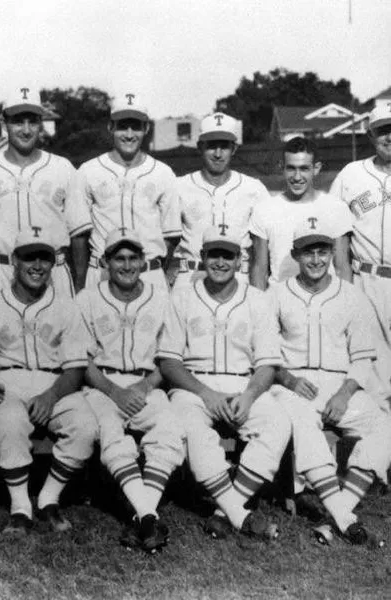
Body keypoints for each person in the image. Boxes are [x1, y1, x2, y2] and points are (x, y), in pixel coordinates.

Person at [157, 226, 291, 540]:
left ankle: (221, 511)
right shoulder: (183, 296)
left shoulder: (257, 300)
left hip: (244, 384)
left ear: (239, 260)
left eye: (227, 255)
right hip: (194, 386)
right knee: (191, 428)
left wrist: (250, 396)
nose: (220, 262)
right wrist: (205, 393)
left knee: (279, 422)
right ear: (202, 257)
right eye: (214, 254)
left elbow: (267, 363)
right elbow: (169, 362)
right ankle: (238, 513)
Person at [271, 223, 391, 546]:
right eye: (308, 251)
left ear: (331, 254)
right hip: (293, 384)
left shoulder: (351, 295)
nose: (316, 259)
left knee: (385, 426)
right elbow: (265, 353)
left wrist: (343, 394)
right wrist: (288, 379)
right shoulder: (278, 294)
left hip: (340, 385)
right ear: (295, 254)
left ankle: (337, 513)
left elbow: (363, 358)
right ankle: (345, 518)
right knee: (303, 424)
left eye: (322, 251)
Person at [77, 229, 185, 553]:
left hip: (146, 382)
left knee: (170, 429)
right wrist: (114, 391)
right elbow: (80, 360)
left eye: (133, 257)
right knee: (111, 431)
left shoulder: (161, 296)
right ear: (105, 262)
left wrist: (144, 385)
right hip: (102, 385)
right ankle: (149, 515)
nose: (127, 265)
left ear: (142, 260)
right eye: (119, 258)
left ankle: (142, 517)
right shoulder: (88, 298)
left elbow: (169, 357)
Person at [0, 229, 97, 537]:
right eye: (29, 257)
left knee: (86, 426)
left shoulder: (66, 305)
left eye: (44, 258)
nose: (37, 265)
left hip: (56, 382)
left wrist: (49, 397)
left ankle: (49, 498)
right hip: (9, 378)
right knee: (9, 420)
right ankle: (20, 506)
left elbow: (75, 368)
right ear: (14, 262)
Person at [0, 87, 91, 298]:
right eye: (18, 121)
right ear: (4, 124)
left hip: (53, 273)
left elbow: (79, 235)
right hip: (1, 271)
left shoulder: (63, 168)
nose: (26, 130)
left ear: (41, 124)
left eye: (32, 121)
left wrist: (79, 290)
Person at [78, 93, 180, 291]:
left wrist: (151, 266)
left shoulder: (163, 173)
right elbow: (79, 236)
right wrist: (81, 285)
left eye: (136, 126)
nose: (129, 134)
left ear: (146, 128)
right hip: (102, 273)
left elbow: (171, 237)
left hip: (149, 273)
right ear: (111, 127)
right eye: (123, 126)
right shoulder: (88, 171)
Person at [171, 112, 270, 289]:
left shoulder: (253, 189)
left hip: (239, 277)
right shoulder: (179, 187)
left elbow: (262, 250)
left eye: (224, 146)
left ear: (234, 148)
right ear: (200, 147)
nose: (218, 154)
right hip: (192, 275)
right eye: (211, 146)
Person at [330, 105, 391, 390]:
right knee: (374, 369)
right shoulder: (351, 173)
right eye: (383, 130)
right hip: (368, 280)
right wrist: (345, 284)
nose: (389, 137)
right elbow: (337, 231)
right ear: (370, 135)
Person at [249, 137, 351, 290]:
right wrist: (260, 308)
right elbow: (259, 269)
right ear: (281, 167)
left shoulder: (336, 208)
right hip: (281, 301)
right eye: (291, 168)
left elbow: (342, 267)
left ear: (316, 168)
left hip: (325, 301)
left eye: (304, 169)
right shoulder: (264, 210)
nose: (297, 177)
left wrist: (346, 304)